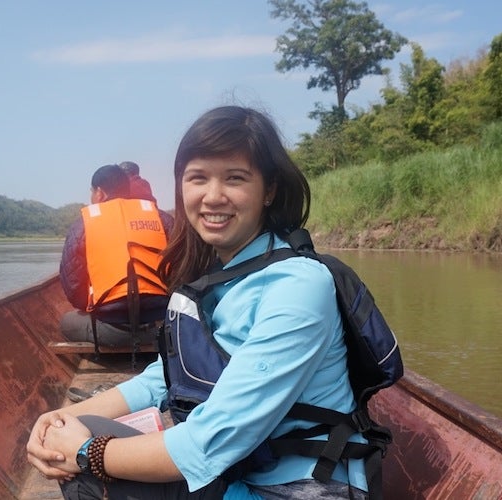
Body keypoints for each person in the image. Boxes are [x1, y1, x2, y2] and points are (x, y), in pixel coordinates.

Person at [27, 106, 371, 499]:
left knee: (82, 463)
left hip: (298, 488)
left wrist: (86, 452)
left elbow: (207, 444)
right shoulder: (219, 276)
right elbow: (163, 378)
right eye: (198, 178)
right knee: (67, 435)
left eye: (235, 178)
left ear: (269, 190)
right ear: (181, 187)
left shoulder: (298, 286)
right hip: (240, 471)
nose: (213, 196)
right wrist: (58, 418)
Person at [59, 164, 174, 348]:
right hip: (161, 326)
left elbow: (73, 287)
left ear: (99, 193)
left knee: (67, 322)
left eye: (91, 192)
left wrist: (92, 306)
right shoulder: (162, 219)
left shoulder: (83, 225)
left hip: (112, 330)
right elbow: (183, 270)